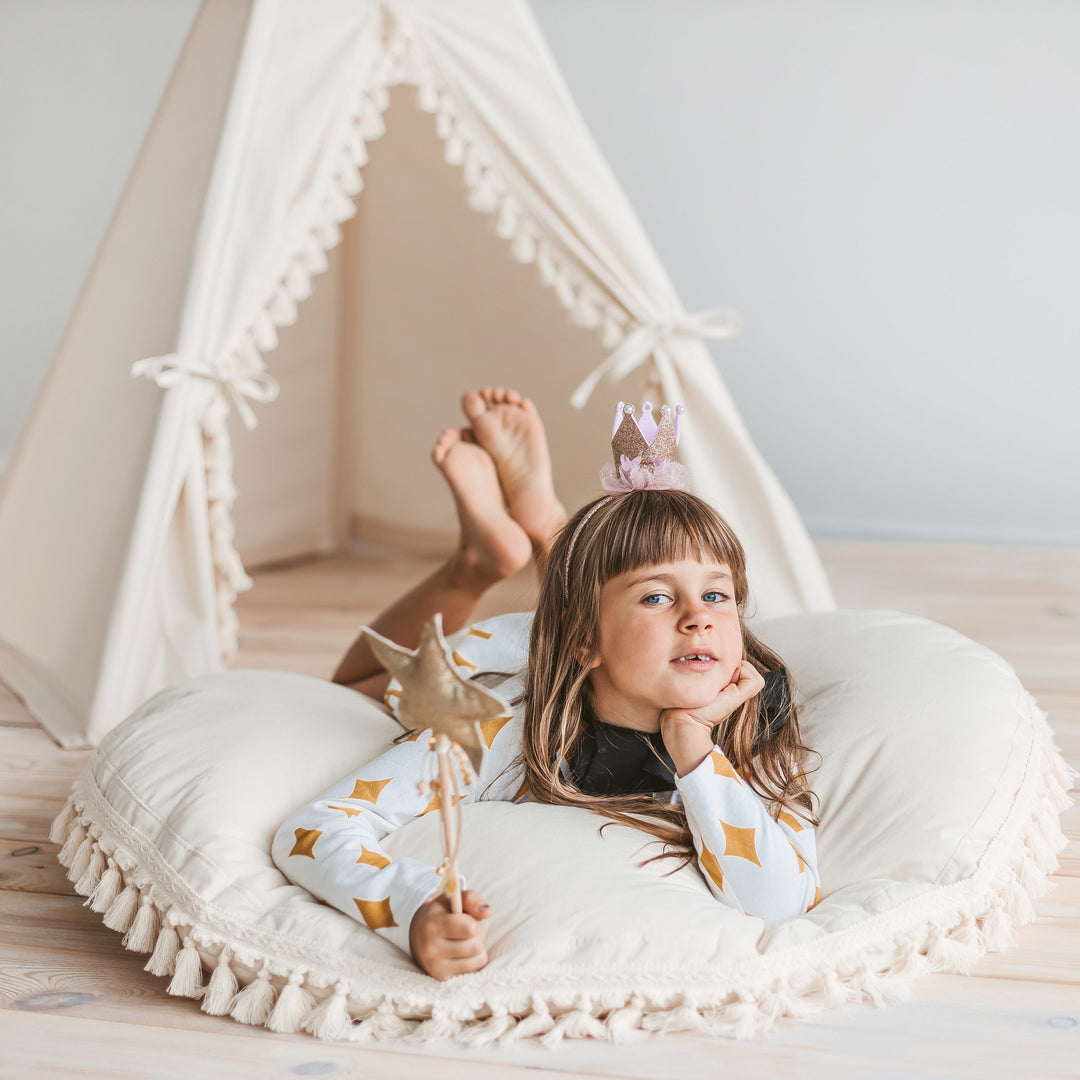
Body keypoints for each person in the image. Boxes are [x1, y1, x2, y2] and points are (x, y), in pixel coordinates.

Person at [272, 388, 821, 982]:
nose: (700, 616)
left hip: (605, 645)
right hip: (515, 656)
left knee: (610, 599)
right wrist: (411, 911)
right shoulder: (500, 728)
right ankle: (479, 562)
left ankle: (548, 529)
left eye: (718, 594)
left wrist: (693, 744)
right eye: (659, 596)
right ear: (582, 639)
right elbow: (314, 828)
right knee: (358, 688)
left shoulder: (755, 704)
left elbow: (778, 902)